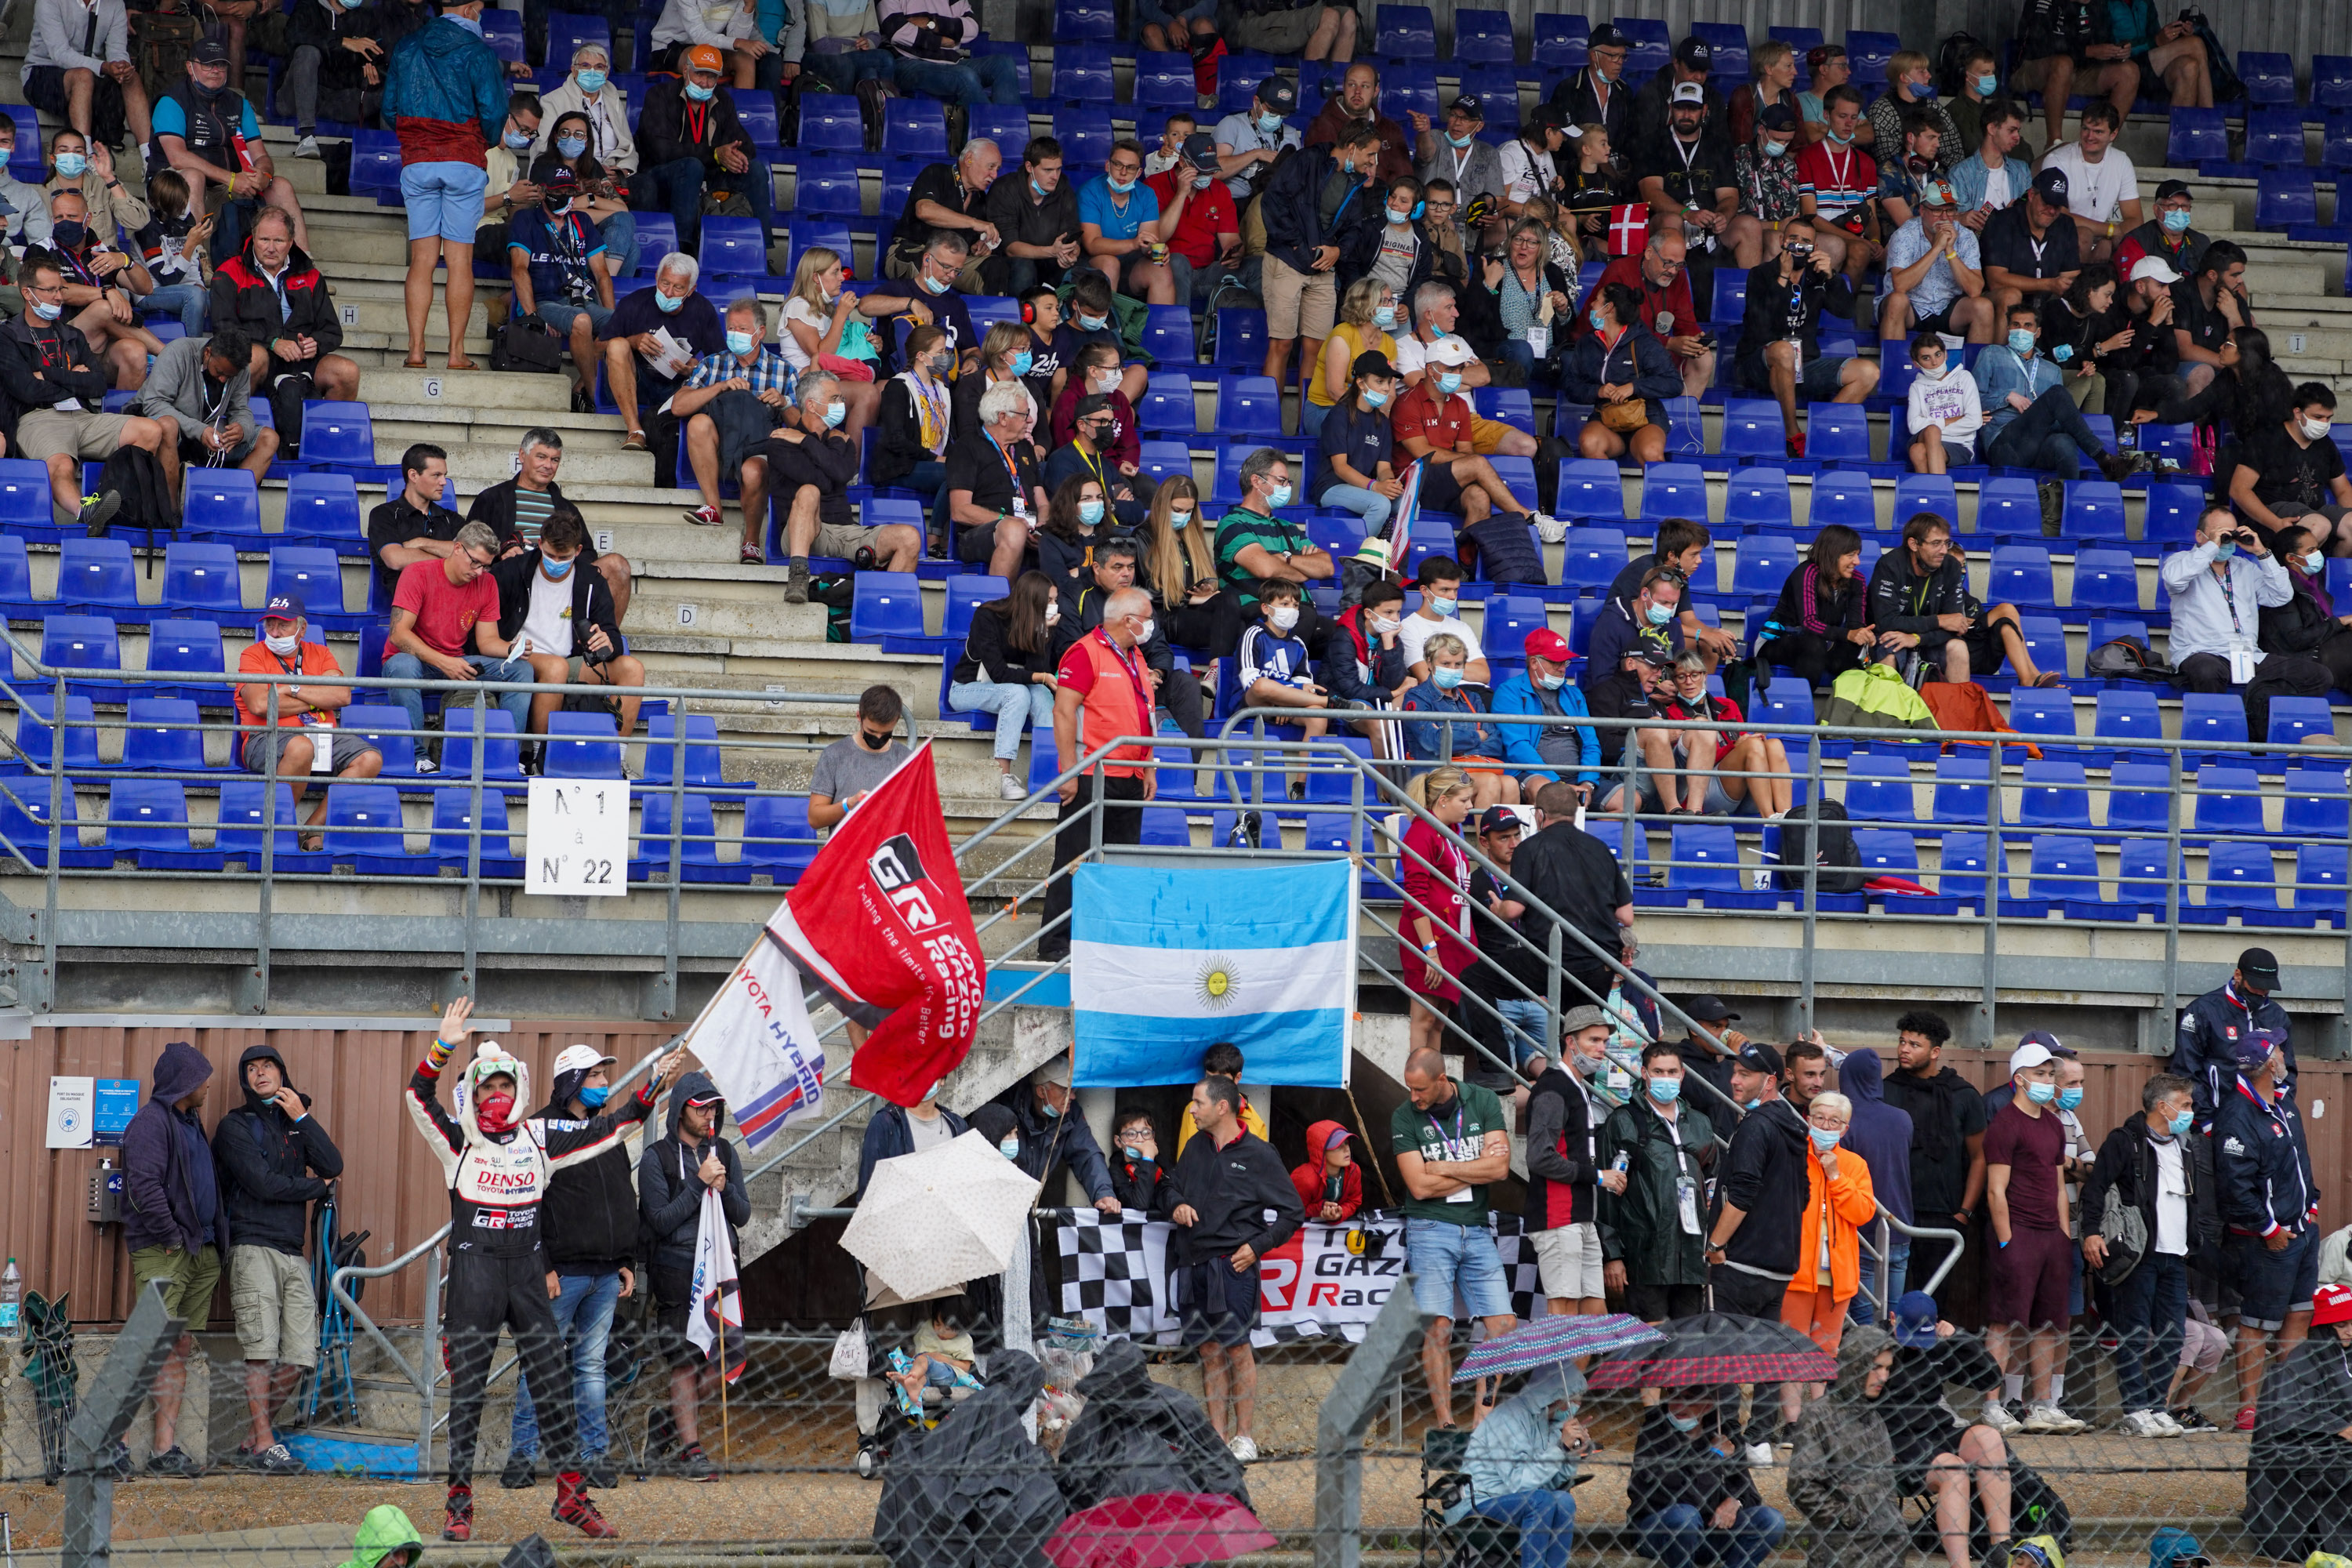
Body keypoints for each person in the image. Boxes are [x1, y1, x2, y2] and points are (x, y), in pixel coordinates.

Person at [408, 1000, 677, 1536]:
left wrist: (652, 1087)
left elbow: (616, 1126)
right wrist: (443, 1045)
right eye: (486, 1088)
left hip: (528, 1272)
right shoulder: (459, 1145)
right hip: (474, 1273)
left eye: (505, 1086)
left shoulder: (541, 1138)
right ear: (473, 1095)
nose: (496, 1096)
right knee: (468, 1392)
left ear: (521, 1091)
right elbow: (418, 1096)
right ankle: (459, 1506)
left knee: (554, 1384)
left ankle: (571, 1497)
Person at [501, 1045, 641, 1490]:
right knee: (540, 1365)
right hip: (560, 1275)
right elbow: (527, 1202)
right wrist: (542, 1265)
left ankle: (593, 1458)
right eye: (596, 1076)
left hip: (604, 1275)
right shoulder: (539, 1130)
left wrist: (625, 1261)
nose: (604, 1084)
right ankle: (521, 1458)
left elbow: (623, 1196)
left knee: (592, 1368)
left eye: (605, 1076)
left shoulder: (605, 1131)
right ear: (574, 1081)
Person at [1167, 1073, 1302, 1462]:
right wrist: (1175, 1203)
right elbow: (1170, 1186)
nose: (1192, 1110)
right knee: (1209, 1351)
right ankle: (1216, 1439)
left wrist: (1258, 1247)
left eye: (1198, 1103)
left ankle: (1245, 1439)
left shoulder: (1261, 1154)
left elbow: (1292, 1213)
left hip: (1233, 1268)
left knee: (1238, 1349)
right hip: (1193, 1265)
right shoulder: (1195, 1146)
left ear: (1222, 1106)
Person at [1394, 1045, 1515, 1428]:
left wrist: (1444, 1166)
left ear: (1442, 1080)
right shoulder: (1403, 1116)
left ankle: (1482, 1422)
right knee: (1439, 1328)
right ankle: (1446, 1423)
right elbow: (1418, 1187)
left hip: (1477, 1227)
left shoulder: (1481, 1100)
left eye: (1420, 1090)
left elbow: (1500, 1170)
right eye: (1409, 1090)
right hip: (1429, 1227)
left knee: (1503, 1326)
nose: (1414, 1099)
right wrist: (1475, 1167)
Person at [2, 256, 170, 531]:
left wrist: (51, 374)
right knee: (61, 465)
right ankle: (88, 512)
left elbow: (98, 384)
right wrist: (74, 379)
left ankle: (125, 504)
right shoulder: (7, 336)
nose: (59, 297)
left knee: (150, 431)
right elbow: (27, 390)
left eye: (61, 289)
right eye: (51, 290)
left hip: (82, 415)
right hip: (37, 418)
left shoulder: (71, 335)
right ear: (27, 293)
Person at [637, 1070, 749, 1482]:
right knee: (685, 1360)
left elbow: (744, 1215)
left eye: (714, 1108)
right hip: (677, 1268)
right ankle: (691, 1449)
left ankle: (667, 1424)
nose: (709, 1116)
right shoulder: (657, 1157)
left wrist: (724, 1188)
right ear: (680, 1109)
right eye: (700, 1108)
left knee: (721, 1360)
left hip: (722, 1268)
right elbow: (661, 1221)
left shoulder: (725, 1151)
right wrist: (698, 1186)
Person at [382, 2, 505, 373]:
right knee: (459, 261)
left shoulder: (407, 46)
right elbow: (495, 113)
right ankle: (456, 354)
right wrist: (479, 142)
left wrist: (419, 139)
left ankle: (416, 351)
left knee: (422, 260)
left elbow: (390, 109)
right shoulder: (478, 52)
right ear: (469, 9)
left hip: (418, 161)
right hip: (463, 161)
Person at [1033, 587, 1155, 959]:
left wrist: (1148, 765)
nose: (1151, 625)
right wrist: (1068, 771)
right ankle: (1054, 946)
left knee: (1119, 863)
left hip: (1130, 775)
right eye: (1147, 618)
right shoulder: (1085, 652)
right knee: (1073, 861)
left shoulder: (1136, 656)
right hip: (1092, 775)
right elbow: (1063, 711)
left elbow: (1143, 712)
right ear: (1127, 620)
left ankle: (1108, 943)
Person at [120, 1040, 223, 1477]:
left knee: (176, 1346)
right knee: (148, 1342)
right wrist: (171, 1236)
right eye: (201, 1079)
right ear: (185, 1083)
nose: (206, 1086)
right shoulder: (150, 1122)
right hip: (166, 1251)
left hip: (198, 1252)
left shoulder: (190, 1121)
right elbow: (142, 1186)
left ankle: (164, 1451)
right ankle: (112, 1446)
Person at [2080, 1072, 2203, 1436]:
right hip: (2139, 1256)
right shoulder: (2124, 1141)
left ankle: (2156, 1405)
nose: (2190, 1111)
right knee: (2134, 1332)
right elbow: (2096, 1188)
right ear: (2162, 1107)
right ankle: (2134, 1409)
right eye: (2185, 1104)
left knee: (2172, 1335)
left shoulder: (2185, 1145)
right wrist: (2089, 1233)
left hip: (2176, 1255)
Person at [2215, 1029, 2320, 1429]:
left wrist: (2311, 1203)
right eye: (2278, 1050)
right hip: (2268, 1240)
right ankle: (2249, 1409)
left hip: (2303, 1229)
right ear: (2265, 1062)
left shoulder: (2285, 1103)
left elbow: (2300, 1163)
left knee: (2299, 1315)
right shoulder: (2236, 1115)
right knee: (2257, 1322)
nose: (2283, 1055)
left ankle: (2286, 1405)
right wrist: (2268, 1228)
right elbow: (2234, 1187)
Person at [1704, 1040, 1807, 1446]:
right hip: (1778, 1263)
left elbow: (1741, 1194)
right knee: (1766, 1353)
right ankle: (1761, 1440)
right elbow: (1805, 1193)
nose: (1734, 1080)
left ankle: (1730, 1436)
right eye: (1734, 1073)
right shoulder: (1796, 1124)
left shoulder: (1757, 1124)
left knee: (1725, 1353)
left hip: (1742, 1261)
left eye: (1744, 1075)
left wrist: (1715, 1244)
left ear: (1769, 1081)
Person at [2161, 504, 2332, 747]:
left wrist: (2261, 552)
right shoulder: (2181, 562)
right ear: (2200, 536)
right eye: (2221, 533)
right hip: (2203, 652)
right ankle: (2213, 745)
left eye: (2231, 533)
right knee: (2207, 671)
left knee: (2318, 676)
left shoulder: (2245, 568)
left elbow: (2280, 595)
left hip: (2247, 655)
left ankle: (2256, 711)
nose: (2227, 539)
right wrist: (2211, 548)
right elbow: (2174, 580)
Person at [871, 1352, 1062, 1567]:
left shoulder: (983, 1398)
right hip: (970, 1497)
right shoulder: (1000, 1404)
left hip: (941, 1484)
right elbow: (996, 1462)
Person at [1981, 1037, 2083, 1435]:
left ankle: (2043, 1404)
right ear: (2020, 1079)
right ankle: (1992, 1405)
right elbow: (1995, 1190)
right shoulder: (2004, 1124)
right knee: (2004, 1321)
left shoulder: (2056, 1125)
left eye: (2050, 1074)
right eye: (2040, 1074)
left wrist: (2061, 1235)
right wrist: (2007, 1240)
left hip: (2050, 1237)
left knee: (2049, 1323)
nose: (2049, 1081)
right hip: (2018, 1234)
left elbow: (2059, 1185)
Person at [233, 592, 386, 844]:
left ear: (302, 628)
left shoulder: (321, 653)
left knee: (370, 759)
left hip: (322, 735)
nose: (275, 632)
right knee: (302, 747)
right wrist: (317, 696)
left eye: (284, 625)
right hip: (265, 737)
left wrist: (291, 689)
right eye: (270, 625)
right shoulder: (253, 654)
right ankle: (280, 831)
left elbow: (342, 695)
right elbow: (261, 705)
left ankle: (312, 827)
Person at [209, 207, 360, 459]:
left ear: (291, 242)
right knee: (254, 357)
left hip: (303, 361)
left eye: (278, 240)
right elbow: (223, 328)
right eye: (264, 239)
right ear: (253, 237)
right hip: (261, 359)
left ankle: (322, 443)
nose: (270, 247)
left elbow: (333, 331)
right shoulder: (230, 271)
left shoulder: (309, 274)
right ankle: (235, 435)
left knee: (348, 371)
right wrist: (272, 342)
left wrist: (316, 343)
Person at [1879, 1294, 2017, 1568]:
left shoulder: (1937, 1344)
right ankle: (1960, 1565)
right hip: (1898, 1440)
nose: (1918, 1347)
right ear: (1893, 1319)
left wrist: (1960, 1339)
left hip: (1937, 1429)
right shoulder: (1874, 1345)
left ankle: (2001, 1547)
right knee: (1954, 1470)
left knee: (1988, 1438)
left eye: (1923, 1339)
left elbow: (1989, 1378)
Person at [1393, 334, 1557, 562]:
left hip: (1446, 481)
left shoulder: (1459, 405)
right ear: (1431, 370)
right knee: (1477, 463)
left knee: (1479, 497)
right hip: (1413, 484)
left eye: (1459, 369)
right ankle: (1524, 516)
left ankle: (1462, 566)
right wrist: (1466, 463)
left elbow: (1466, 452)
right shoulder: (1407, 403)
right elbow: (1422, 453)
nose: (1457, 374)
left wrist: (1466, 463)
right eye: (1450, 368)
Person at [494, 503, 644, 739]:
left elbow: (612, 634)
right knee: (556, 667)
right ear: (540, 543)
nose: (556, 562)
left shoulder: (591, 580)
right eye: (550, 555)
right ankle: (540, 755)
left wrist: (607, 642)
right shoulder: (511, 571)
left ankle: (616, 754)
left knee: (633, 669)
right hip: (518, 658)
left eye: (564, 557)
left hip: (571, 660)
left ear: (578, 550)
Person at [1258, 123, 1385, 399]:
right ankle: (1268, 422)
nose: (1373, 162)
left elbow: (1354, 228)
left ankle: (1305, 422)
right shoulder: (1307, 160)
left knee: (1316, 347)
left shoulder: (1356, 179)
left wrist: (1337, 251)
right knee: (1281, 344)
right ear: (1352, 148)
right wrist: (1298, 246)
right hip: (1287, 260)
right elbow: (1273, 202)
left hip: (1324, 268)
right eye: (1370, 154)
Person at [1735, 217, 1876, 459]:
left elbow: (1845, 312)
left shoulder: (1818, 276)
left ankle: (1818, 436)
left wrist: (1832, 277)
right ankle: (1792, 434)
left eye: (1806, 242)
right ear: (1782, 241)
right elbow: (1760, 327)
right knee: (1783, 351)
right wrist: (1782, 278)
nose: (1798, 246)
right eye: (1793, 240)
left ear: (1815, 248)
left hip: (1804, 365)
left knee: (1868, 372)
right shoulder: (1761, 274)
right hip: (1758, 363)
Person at [385, 521, 534, 750]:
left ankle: (507, 753)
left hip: (456, 662)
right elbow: (398, 634)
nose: (478, 572)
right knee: (403, 666)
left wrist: (510, 649)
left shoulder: (487, 582)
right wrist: (445, 662)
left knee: (523, 670)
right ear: (457, 549)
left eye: (485, 566)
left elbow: (487, 642)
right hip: (415, 662)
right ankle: (415, 755)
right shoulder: (417, 573)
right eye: (474, 562)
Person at [1057, 1336, 1250, 1512]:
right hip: (1176, 1513)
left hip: (1139, 1513)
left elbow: (1074, 1478)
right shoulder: (1177, 1403)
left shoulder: (1176, 1406)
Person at [1868, 512, 2056, 688]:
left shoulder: (1950, 566)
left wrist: (1917, 638)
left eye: (1946, 543)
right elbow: (1887, 623)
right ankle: (1888, 717)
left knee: (1958, 646)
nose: (1943, 551)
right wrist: (1939, 620)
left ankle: (1958, 714)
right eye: (1936, 544)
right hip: (1892, 638)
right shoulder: (1889, 566)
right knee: (1890, 645)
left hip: (1929, 640)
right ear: (1914, 544)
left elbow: (1955, 627)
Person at [1597, 1039, 1711, 1323]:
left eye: (1672, 1072)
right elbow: (1607, 1196)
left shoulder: (1699, 1123)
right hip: (1644, 1256)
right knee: (1648, 1344)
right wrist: (1612, 1255)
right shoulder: (1623, 1121)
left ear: (1683, 1074)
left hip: (1692, 1254)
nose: (1666, 1078)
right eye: (1658, 1072)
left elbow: (1713, 1182)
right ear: (1644, 1074)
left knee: (1688, 1341)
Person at [769, 371, 920, 586]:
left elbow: (842, 475)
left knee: (909, 537)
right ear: (811, 405)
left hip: (845, 531)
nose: (841, 404)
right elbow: (822, 483)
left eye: (841, 398)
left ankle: (880, 607)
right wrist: (810, 443)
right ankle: (797, 577)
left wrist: (807, 441)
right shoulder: (782, 442)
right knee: (809, 491)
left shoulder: (840, 441)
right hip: (805, 533)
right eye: (834, 399)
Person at [674, 298, 796, 558]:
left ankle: (751, 542)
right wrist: (720, 386)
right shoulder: (711, 364)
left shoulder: (784, 371)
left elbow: (802, 425)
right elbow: (679, 406)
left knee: (752, 471)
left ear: (760, 332)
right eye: (731, 328)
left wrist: (784, 403)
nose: (735, 334)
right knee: (698, 422)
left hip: (758, 449)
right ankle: (713, 508)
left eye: (742, 329)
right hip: (718, 448)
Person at [1780, 1090, 1877, 1410]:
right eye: (1819, 1118)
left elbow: (1863, 1213)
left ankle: (1820, 1417)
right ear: (1808, 1120)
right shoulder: (1792, 1156)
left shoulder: (1854, 1164)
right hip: (1796, 1270)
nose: (1825, 1125)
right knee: (1791, 1347)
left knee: (1825, 1349)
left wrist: (1836, 1176)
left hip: (1836, 1275)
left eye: (1834, 1121)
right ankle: (1793, 1421)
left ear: (1845, 1129)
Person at [2241, 1282, 2352, 1559]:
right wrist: (2340, 1427)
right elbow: (2287, 1417)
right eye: (2341, 1325)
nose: (2349, 1331)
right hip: (2308, 1454)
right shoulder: (2299, 1364)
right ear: (2323, 1328)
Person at [1508, 779, 1634, 1009]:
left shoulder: (1529, 848)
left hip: (1548, 960)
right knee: (1582, 1029)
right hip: (1600, 961)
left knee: (1474, 980)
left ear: (1539, 814)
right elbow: (1627, 917)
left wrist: (1498, 908)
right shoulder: (1601, 848)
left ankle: (1498, 1047)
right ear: (1575, 812)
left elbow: (1513, 910)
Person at [635, 46, 771, 260]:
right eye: (700, 74)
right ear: (686, 70)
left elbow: (746, 145)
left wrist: (734, 153)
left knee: (754, 169)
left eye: (712, 77)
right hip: (661, 174)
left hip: (707, 174)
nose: (705, 83)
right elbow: (661, 151)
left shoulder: (722, 100)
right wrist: (715, 154)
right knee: (691, 166)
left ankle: (760, 251)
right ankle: (682, 250)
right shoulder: (659, 95)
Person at [1786, 1327, 1904, 1568]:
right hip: (1841, 1550)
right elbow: (1802, 1486)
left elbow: (1886, 1487)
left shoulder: (1875, 1420)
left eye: (1887, 1368)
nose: (1883, 1376)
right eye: (1875, 1367)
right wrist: (1852, 1518)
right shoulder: (1818, 1415)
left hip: (1887, 1549)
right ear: (1855, 1365)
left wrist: (1890, 1521)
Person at [1977, 302, 2129, 487]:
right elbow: (1973, 401)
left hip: (2036, 446)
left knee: (2064, 441)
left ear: (2038, 332)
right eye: (2016, 325)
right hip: (2003, 444)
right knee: (2057, 394)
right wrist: (2007, 396)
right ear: (2008, 328)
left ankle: (2067, 503)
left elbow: (2057, 420)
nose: (2021, 330)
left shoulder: (2051, 370)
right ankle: (2103, 458)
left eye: (2028, 326)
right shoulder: (1991, 354)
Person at [505, 163, 615, 415]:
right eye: (559, 191)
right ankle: (596, 397)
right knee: (583, 322)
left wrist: (612, 322)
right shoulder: (527, 219)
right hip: (546, 302)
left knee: (625, 324)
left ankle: (580, 390)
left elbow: (602, 274)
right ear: (543, 192)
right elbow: (519, 269)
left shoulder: (582, 220)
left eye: (570, 191)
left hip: (582, 300)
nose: (566, 196)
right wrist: (533, 317)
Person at [1630, 1392, 1785, 1568]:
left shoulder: (1724, 1433)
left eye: (1689, 1398)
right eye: (1675, 1397)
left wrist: (1736, 1503)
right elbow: (1684, 1501)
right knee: (1685, 1518)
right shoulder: (1654, 1434)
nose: (1680, 1406)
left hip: (1713, 1531)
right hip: (1661, 1531)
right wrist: (1714, 1456)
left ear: (1708, 1405)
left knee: (1771, 1520)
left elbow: (1749, 1494)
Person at [600, 256, 727, 467]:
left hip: (677, 390)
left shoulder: (703, 310)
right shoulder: (635, 302)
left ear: (691, 289)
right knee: (617, 345)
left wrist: (695, 368)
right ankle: (635, 431)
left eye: (678, 288)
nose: (668, 293)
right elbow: (598, 347)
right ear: (657, 278)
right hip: (635, 383)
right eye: (665, 283)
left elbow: (720, 362)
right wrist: (632, 341)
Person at [946, 570, 1058, 800]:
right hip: (967, 689)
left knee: (1042, 695)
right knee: (1019, 693)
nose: (1054, 606)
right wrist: (1040, 677)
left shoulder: (1035, 624)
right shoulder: (987, 616)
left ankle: (1046, 775)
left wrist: (1042, 633)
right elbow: (999, 672)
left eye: (1055, 601)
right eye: (1049, 601)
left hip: (1008, 689)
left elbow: (1037, 669)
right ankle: (1002, 775)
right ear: (1033, 601)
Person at [1572, 227, 1713, 403]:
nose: (1674, 271)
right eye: (1668, 263)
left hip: (1651, 351)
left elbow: (1686, 322)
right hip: (1613, 349)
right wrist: (1669, 343)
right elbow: (1617, 329)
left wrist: (1694, 342)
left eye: (1679, 264)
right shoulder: (1620, 271)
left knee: (1703, 359)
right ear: (1649, 253)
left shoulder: (1679, 277)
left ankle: (1680, 420)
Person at [1397, 766, 1479, 1048]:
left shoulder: (1451, 832)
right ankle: (1420, 1087)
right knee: (1424, 1019)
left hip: (1452, 935)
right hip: (1429, 939)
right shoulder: (1423, 832)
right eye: (1464, 800)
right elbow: (1415, 894)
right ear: (1443, 799)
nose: (1470, 807)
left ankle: (1432, 1086)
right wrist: (1430, 951)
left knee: (1439, 1021)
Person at [134, 328, 278, 482]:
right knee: (168, 427)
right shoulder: (178, 352)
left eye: (230, 376)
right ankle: (170, 506)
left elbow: (240, 408)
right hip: (163, 428)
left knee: (269, 439)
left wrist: (242, 429)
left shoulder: (239, 368)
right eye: (219, 372)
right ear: (207, 353)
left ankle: (233, 499)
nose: (223, 379)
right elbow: (154, 403)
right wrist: (199, 430)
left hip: (204, 431)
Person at [1562, 276, 1677, 466]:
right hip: (1606, 418)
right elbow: (1571, 386)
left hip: (1646, 419)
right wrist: (1598, 391)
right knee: (1589, 442)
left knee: (1651, 452)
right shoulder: (1587, 343)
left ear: (1609, 308)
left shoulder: (1644, 342)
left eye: (1597, 300)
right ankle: (1608, 495)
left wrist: (1633, 387)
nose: (1591, 304)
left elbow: (1674, 383)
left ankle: (1654, 496)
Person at [1836, 1050, 1912, 1326]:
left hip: (1862, 1232)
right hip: (1901, 1227)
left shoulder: (1846, 1123)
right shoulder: (1903, 1118)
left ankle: (1868, 1369)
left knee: (1863, 1322)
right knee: (1891, 1321)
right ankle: (1888, 1369)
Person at [943, 381, 1049, 579]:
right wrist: (1014, 522)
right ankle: (1000, 606)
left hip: (1028, 529)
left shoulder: (1025, 447)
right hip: (980, 534)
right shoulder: (967, 447)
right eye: (1025, 414)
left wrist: (1042, 525)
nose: (1031, 419)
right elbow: (960, 511)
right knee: (1014, 530)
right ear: (1003, 417)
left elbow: (1042, 501)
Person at [2233, 383, 2352, 555]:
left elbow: (2342, 490)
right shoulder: (2265, 440)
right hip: (2272, 516)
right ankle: (2293, 579)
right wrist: (2275, 523)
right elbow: (2239, 490)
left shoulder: (2326, 444)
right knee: (2319, 525)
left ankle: (2332, 578)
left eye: (2328, 418)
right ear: (2297, 413)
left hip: (2316, 512)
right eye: (2318, 417)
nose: (2324, 423)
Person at [24, 0, 151, 155]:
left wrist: (121, 66)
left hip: (92, 76)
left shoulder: (115, 4)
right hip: (42, 74)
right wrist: (105, 67)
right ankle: (85, 154)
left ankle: (148, 158)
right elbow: (61, 55)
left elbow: (117, 50)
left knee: (132, 77)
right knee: (83, 76)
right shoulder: (49, 2)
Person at [1757, 525, 1875, 688]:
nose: (1857, 562)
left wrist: (1863, 635)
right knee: (1813, 644)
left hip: (1826, 643)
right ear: (1833, 555)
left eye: (1857, 555)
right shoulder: (1807, 573)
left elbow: (1855, 625)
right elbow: (1809, 623)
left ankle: (1845, 708)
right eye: (1851, 555)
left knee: (1866, 650)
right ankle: (1804, 707)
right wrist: (1849, 634)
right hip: (1779, 641)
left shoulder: (1857, 580)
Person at [2012, 0, 2138, 151]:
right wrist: (2088, 51)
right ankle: (2054, 144)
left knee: (2129, 71)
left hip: (2079, 70)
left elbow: (2102, 40)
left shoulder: (2096, 4)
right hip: (2031, 68)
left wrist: (2116, 51)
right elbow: (2039, 46)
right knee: (2063, 64)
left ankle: (2103, 144)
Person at [1493, 630, 1599, 804]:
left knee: (1626, 799)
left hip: (1577, 778)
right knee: (1551, 794)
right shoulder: (1509, 692)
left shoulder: (1574, 694)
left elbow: (1591, 743)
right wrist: (1558, 783)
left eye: (1565, 662)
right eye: (1556, 662)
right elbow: (1518, 747)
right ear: (1534, 662)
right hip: (1532, 774)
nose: (1563, 669)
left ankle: (1585, 831)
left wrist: (1588, 782)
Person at [1882, 179, 1991, 347]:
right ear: (1922, 210)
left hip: (1948, 308)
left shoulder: (1966, 237)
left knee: (1983, 306)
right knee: (1897, 301)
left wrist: (1949, 251)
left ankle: (1975, 371)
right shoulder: (1905, 234)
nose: (1945, 217)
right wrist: (1936, 248)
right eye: (1937, 211)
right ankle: (1892, 368)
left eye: (1950, 210)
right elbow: (1900, 286)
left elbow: (1976, 290)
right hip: (1911, 308)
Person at [885, 139, 999, 291]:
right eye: (991, 167)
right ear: (969, 159)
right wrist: (974, 222)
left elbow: (970, 244)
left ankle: (985, 315)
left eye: (997, 169)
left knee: (996, 267)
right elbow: (924, 210)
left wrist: (979, 247)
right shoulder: (936, 173)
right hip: (914, 250)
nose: (995, 175)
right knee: (930, 263)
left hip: (955, 262)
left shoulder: (981, 198)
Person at [1145, 132, 1243, 305]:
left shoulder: (1219, 190)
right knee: (1178, 261)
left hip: (1207, 272)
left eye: (1211, 170)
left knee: (1257, 268)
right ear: (1183, 163)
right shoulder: (1154, 185)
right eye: (1201, 170)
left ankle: (1252, 331)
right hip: (1170, 270)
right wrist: (1181, 193)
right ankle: (1179, 330)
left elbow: (1230, 239)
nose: (1207, 176)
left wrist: (1235, 253)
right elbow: (1157, 237)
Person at [874, 0, 1020, 111]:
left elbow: (972, 27)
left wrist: (932, 23)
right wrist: (940, 41)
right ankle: (995, 134)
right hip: (907, 63)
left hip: (949, 63)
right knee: (965, 76)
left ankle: (1009, 132)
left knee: (1004, 64)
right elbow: (897, 31)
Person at [1076, 141, 1174, 305]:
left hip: (1130, 264)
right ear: (1108, 166)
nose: (1123, 173)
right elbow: (1092, 244)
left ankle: (1160, 329)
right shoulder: (1090, 191)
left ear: (1139, 172)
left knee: (1160, 268)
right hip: (1093, 264)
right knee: (1110, 263)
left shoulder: (1147, 194)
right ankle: (1110, 327)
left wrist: (1157, 250)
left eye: (1130, 168)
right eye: (1118, 165)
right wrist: (1133, 243)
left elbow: (1149, 242)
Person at [2261, 523, 2352, 693]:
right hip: (2299, 658)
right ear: (2291, 558)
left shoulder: (2314, 582)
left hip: (2322, 649)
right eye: (2310, 551)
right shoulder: (2283, 590)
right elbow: (2296, 639)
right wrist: (2340, 622)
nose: (2317, 554)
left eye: (2317, 549)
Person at [808, 684, 909, 832]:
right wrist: (849, 804)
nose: (878, 738)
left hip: (888, 850)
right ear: (858, 717)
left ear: (896, 721)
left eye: (886, 733)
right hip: (846, 851)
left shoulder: (906, 759)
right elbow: (815, 818)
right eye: (871, 731)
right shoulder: (834, 755)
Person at [1982, 168, 2081, 314]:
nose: (2052, 211)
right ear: (2031, 195)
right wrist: (2048, 284)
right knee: (2011, 296)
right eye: (2047, 203)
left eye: (2057, 206)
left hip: (2046, 304)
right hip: (2001, 301)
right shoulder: (2002, 221)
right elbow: (1996, 281)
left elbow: (2071, 276)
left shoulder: (2065, 225)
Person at [1306, 62, 1412, 185]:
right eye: (1352, 85)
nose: (1357, 92)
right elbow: (1319, 180)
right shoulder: (1322, 126)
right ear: (1344, 87)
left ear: (1376, 91)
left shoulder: (1390, 129)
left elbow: (1404, 180)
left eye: (1365, 86)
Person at [2104, 0, 2216, 115]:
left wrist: (2176, 34)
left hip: (2150, 69)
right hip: (2123, 68)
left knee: (2189, 67)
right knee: (2195, 44)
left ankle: (2180, 132)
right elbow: (2108, 46)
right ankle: (2209, 120)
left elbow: (2156, 37)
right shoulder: (2105, 4)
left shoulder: (2144, 2)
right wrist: (2155, 41)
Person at [1729, 103, 1803, 267]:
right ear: (1761, 130)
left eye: (1787, 141)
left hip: (1782, 233)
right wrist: (1775, 226)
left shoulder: (1789, 165)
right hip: (1743, 233)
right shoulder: (1737, 160)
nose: (1782, 145)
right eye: (1777, 140)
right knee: (1775, 242)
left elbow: (1792, 216)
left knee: (1835, 246)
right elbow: (1730, 218)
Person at [1902, 334, 1986, 478]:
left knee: (1918, 450)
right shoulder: (1917, 387)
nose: (1935, 362)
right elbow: (1914, 426)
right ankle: (1941, 492)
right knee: (1932, 431)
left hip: (1959, 446)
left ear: (1946, 354)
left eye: (1938, 354)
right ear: (1916, 363)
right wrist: (1953, 420)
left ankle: (1931, 492)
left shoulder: (1964, 377)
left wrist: (1936, 429)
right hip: (1926, 435)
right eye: (1926, 358)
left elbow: (1974, 421)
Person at [1415, 96, 1504, 226]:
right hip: (1432, 222)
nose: (1457, 122)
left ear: (1479, 126)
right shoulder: (1436, 137)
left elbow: (1495, 199)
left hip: (1472, 226)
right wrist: (1424, 132)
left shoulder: (1489, 153)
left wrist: (1492, 214)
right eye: (1453, 115)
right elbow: (1425, 152)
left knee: (1506, 228)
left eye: (1466, 119)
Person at [1548, 22, 1634, 152]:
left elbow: (1630, 135)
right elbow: (1561, 142)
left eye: (1622, 56)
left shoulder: (1624, 91)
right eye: (1613, 56)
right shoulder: (1569, 90)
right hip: (1578, 168)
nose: (1620, 62)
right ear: (1594, 56)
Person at [1948, 99, 2031, 225]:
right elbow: (1962, 228)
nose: (2017, 137)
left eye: (2018, 131)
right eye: (2011, 130)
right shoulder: (1960, 174)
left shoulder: (2022, 170)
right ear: (1992, 129)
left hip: (2013, 243)